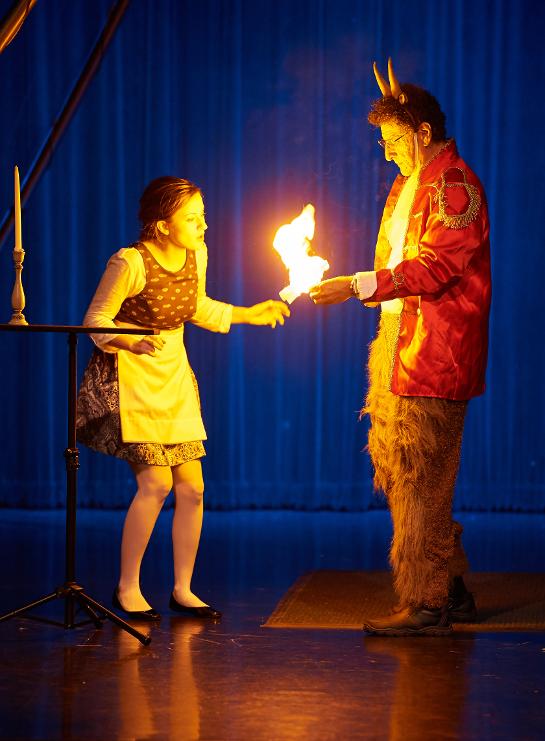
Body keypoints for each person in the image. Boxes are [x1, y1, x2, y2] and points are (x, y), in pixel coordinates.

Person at [310, 59, 491, 636]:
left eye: (392, 139)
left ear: (422, 133)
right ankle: (452, 586)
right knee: (400, 469)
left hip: (436, 350)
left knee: (421, 474)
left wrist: (357, 285)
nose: (386, 152)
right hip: (400, 339)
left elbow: (435, 267)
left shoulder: (454, 184)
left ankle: (427, 601)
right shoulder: (410, 181)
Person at [76, 176, 289, 621]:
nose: (203, 226)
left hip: (173, 374)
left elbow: (196, 307)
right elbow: (96, 321)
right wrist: (130, 342)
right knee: (156, 484)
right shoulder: (130, 262)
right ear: (161, 226)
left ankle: (182, 588)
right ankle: (127, 587)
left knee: (193, 487)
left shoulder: (197, 255)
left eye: (203, 217)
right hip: (130, 375)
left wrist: (251, 313)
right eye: (192, 219)